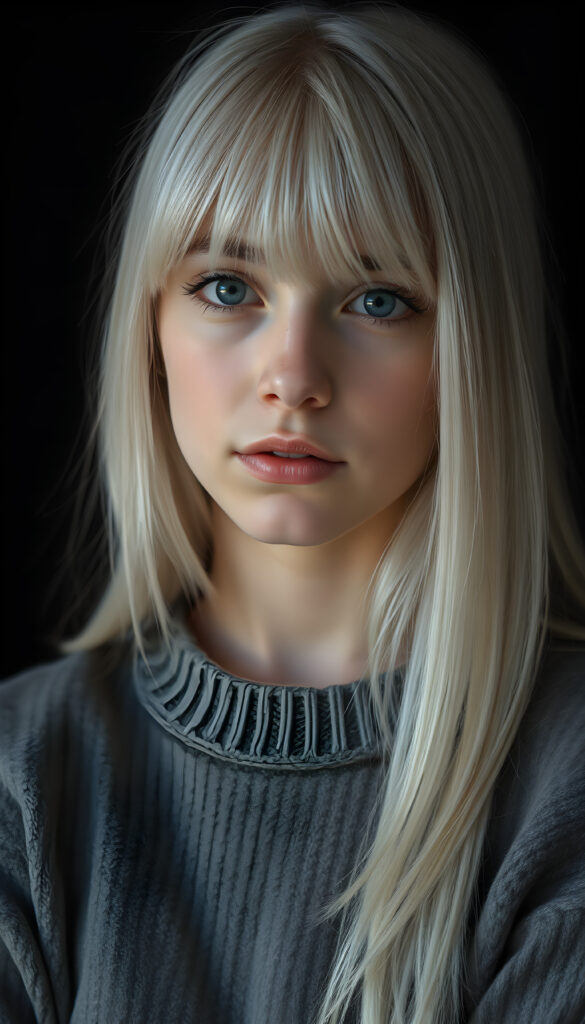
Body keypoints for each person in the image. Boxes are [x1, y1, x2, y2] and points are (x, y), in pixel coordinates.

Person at [1, 4, 584, 1023]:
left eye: (377, 300)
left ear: (473, 349)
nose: (295, 378)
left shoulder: (564, 776)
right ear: (150, 327)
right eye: (228, 286)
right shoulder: (21, 775)